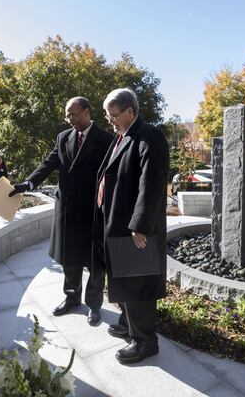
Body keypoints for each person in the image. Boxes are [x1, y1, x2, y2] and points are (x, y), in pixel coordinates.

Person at [9, 97, 113, 325]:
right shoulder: (64, 137)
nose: (69, 119)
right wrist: (28, 184)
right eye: (67, 115)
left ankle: (94, 305)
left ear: (86, 111)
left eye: (73, 114)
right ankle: (72, 298)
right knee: (69, 259)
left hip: (94, 212)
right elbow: (49, 163)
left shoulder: (106, 139)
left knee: (95, 263)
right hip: (66, 210)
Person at [92, 88, 169, 364]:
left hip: (135, 229)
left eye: (113, 115)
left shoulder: (150, 136)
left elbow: (152, 184)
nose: (109, 119)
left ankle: (145, 341)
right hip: (117, 222)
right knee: (124, 280)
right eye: (107, 115)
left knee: (138, 286)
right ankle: (128, 324)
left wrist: (140, 225)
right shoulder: (123, 136)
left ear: (130, 112)